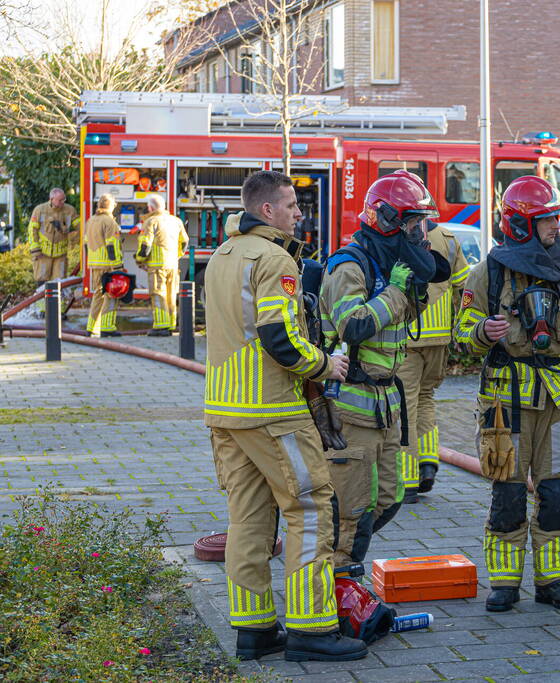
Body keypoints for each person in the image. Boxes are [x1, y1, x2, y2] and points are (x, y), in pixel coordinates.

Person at [204, 170, 365, 663]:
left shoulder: (222, 255)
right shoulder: (274, 259)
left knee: (249, 519)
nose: (300, 213)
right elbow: (279, 338)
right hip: (273, 411)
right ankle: (311, 629)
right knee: (312, 509)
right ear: (267, 211)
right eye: (292, 205)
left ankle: (254, 632)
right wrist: (324, 363)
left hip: (225, 412)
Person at [455, 175, 560, 613]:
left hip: (558, 401)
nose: (556, 226)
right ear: (520, 225)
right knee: (508, 494)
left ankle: (554, 581)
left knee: (557, 492)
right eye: (547, 219)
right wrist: (482, 331)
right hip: (506, 404)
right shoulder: (487, 273)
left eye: (556, 217)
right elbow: (459, 336)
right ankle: (503, 584)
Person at [319, 170, 448, 573]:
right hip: (351, 407)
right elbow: (353, 325)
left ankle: (345, 560)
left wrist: (414, 287)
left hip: (385, 406)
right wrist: (394, 291)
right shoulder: (349, 267)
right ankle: (338, 581)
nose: (419, 232)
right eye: (412, 223)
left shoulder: (389, 264)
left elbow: (403, 320)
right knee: (351, 507)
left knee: (389, 498)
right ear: (387, 220)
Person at [396, 215, 471, 502]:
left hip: (408, 335)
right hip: (440, 337)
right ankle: (428, 464)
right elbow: (464, 288)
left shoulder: (399, 236)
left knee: (405, 407)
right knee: (426, 398)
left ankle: (407, 480)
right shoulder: (449, 239)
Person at [136, 194, 188, 336]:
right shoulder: (176, 221)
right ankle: (171, 324)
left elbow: (145, 244)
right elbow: (184, 242)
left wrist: (140, 259)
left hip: (157, 266)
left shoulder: (151, 221)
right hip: (172, 265)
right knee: (171, 295)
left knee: (158, 294)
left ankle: (160, 326)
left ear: (150, 207)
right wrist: (177, 255)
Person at [83, 193, 123, 338]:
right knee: (111, 295)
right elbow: (111, 245)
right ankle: (107, 327)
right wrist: (117, 266)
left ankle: (92, 327)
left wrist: (91, 261)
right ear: (111, 206)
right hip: (108, 264)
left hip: (95, 263)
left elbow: (86, 244)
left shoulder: (91, 220)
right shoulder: (110, 222)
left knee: (98, 295)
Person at [28, 188, 78, 284]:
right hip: (43, 254)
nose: (63, 202)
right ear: (51, 199)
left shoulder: (69, 210)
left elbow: (79, 226)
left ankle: (59, 299)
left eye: (64, 199)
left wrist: (76, 235)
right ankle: (41, 299)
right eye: (60, 200)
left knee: (59, 282)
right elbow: (32, 230)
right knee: (42, 280)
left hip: (61, 254)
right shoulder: (40, 210)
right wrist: (35, 249)